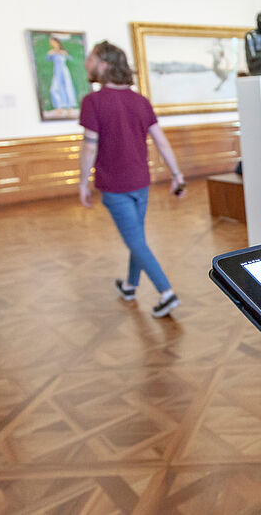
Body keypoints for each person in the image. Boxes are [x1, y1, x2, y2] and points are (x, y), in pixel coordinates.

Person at [78, 41, 186, 318]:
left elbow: (90, 146)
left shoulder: (93, 102)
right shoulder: (140, 101)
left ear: (103, 65)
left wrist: (82, 183)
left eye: (90, 59)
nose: (86, 64)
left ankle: (166, 292)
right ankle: (129, 285)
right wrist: (176, 174)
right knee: (136, 236)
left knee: (136, 241)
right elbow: (160, 141)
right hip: (140, 182)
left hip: (115, 186)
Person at [47, 36, 78, 115]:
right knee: (54, 89)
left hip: (64, 72)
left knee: (67, 88)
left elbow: (72, 59)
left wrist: (65, 54)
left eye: (52, 42)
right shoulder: (52, 52)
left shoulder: (63, 52)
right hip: (57, 72)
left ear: (56, 42)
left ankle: (69, 108)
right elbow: (48, 59)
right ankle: (59, 107)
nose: (51, 44)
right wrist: (49, 54)